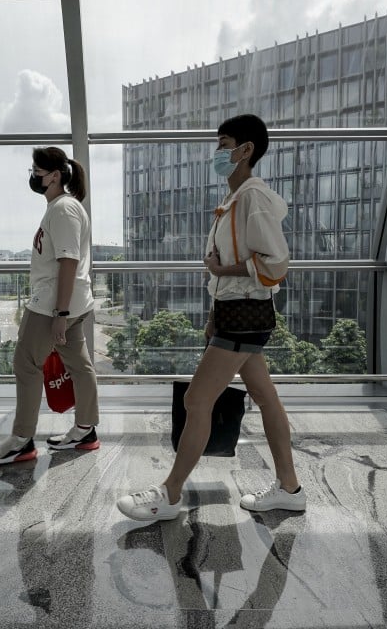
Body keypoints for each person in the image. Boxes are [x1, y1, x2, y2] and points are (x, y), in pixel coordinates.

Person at [117, 114, 305, 521]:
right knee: (266, 398)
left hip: (245, 318)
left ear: (246, 150)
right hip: (236, 316)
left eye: (224, 144)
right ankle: (289, 488)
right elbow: (237, 265)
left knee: (197, 399)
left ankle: (168, 495)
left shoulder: (252, 198)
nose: (218, 153)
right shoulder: (234, 201)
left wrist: (222, 273)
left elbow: (275, 264)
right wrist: (214, 311)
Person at [0, 147, 100, 464]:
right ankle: (85, 430)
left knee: (26, 364)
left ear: (55, 176)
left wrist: (59, 314)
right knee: (79, 365)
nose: (32, 176)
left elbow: (68, 261)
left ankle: (22, 439)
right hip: (71, 302)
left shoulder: (63, 209)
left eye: (36, 171)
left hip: (53, 306)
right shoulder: (63, 207)